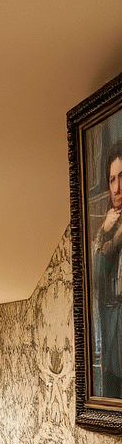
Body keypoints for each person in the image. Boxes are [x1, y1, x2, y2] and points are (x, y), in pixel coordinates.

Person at [93, 140, 122, 399]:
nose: (118, 188)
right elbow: (94, 278)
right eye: (112, 180)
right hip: (112, 330)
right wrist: (104, 230)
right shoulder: (109, 226)